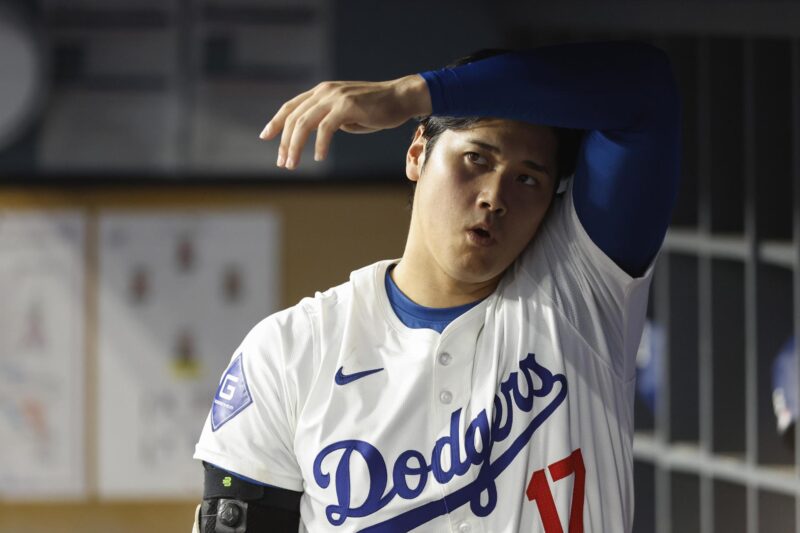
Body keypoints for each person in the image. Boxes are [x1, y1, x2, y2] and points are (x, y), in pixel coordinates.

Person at [192, 40, 681, 532]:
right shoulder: (291, 351)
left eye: (527, 180)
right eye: (476, 160)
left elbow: (646, 92)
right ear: (417, 152)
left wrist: (411, 94)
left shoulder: (580, 289)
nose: (495, 197)